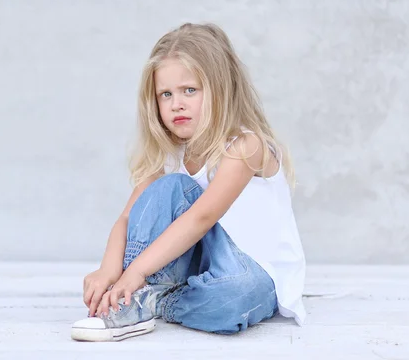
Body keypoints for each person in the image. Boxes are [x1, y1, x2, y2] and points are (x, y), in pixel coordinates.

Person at [71, 23, 306, 342]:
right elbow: (127, 217)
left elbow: (202, 217)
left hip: (253, 277)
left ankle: (152, 298)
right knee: (167, 187)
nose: (176, 104)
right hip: (192, 271)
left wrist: (136, 272)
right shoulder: (170, 155)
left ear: (221, 90)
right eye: (165, 94)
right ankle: (134, 298)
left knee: (234, 298)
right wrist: (109, 269)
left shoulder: (245, 146)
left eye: (189, 91)